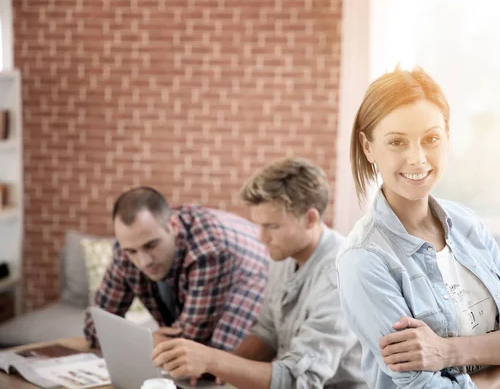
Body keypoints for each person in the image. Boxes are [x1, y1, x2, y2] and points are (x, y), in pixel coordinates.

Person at [336, 66, 500, 388]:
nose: (417, 158)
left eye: (430, 138)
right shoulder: (364, 260)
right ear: (368, 147)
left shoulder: (465, 224)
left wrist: (445, 351)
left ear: (447, 136)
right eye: (397, 142)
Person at [152, 157, 366, 388]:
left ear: (310, 219)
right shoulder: (285, 253)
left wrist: (212, 361)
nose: (261, 238)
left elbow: (300, 380)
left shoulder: (342, 276)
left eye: (272, 226)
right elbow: (267, 331)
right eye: (260, 225)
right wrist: (216, 371)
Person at [83, 186, 270, 352]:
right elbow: (95, 326)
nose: (143, 261)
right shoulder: (125, 250)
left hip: (257, 274)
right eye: (132, 251)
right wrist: (148, 339)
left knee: (218, 361)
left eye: (151, 245)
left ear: (173, 225)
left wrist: (141, 340)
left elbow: (190, 342)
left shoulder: (210, 249)